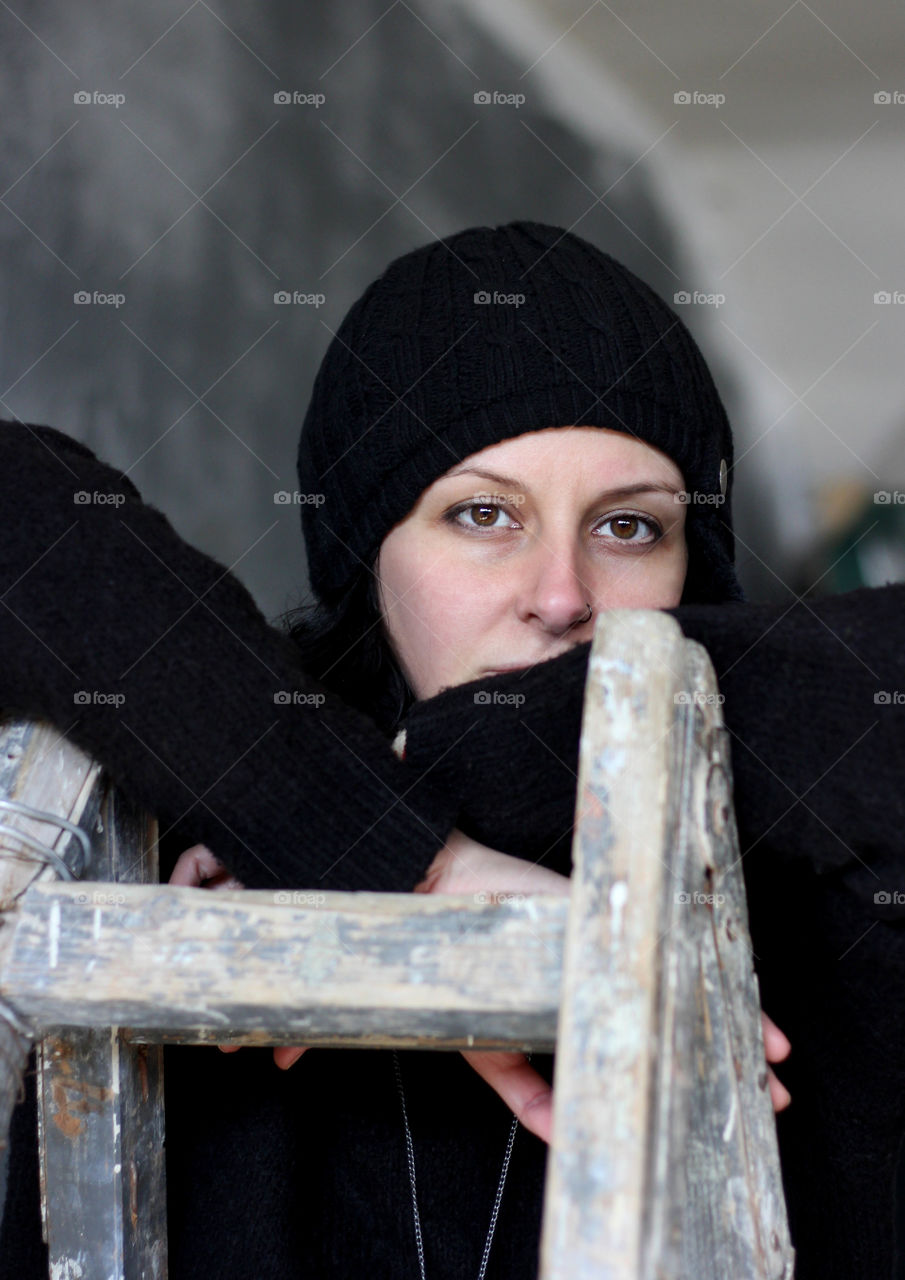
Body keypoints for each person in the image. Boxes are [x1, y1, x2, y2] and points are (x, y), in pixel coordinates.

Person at [0, 221, 902, 1279]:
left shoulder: (815, 878)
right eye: (481, 513)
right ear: (367, 559)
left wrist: (421, 793)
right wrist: (375, 835)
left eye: (627, 527)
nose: (561, 596)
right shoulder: (199, 821)